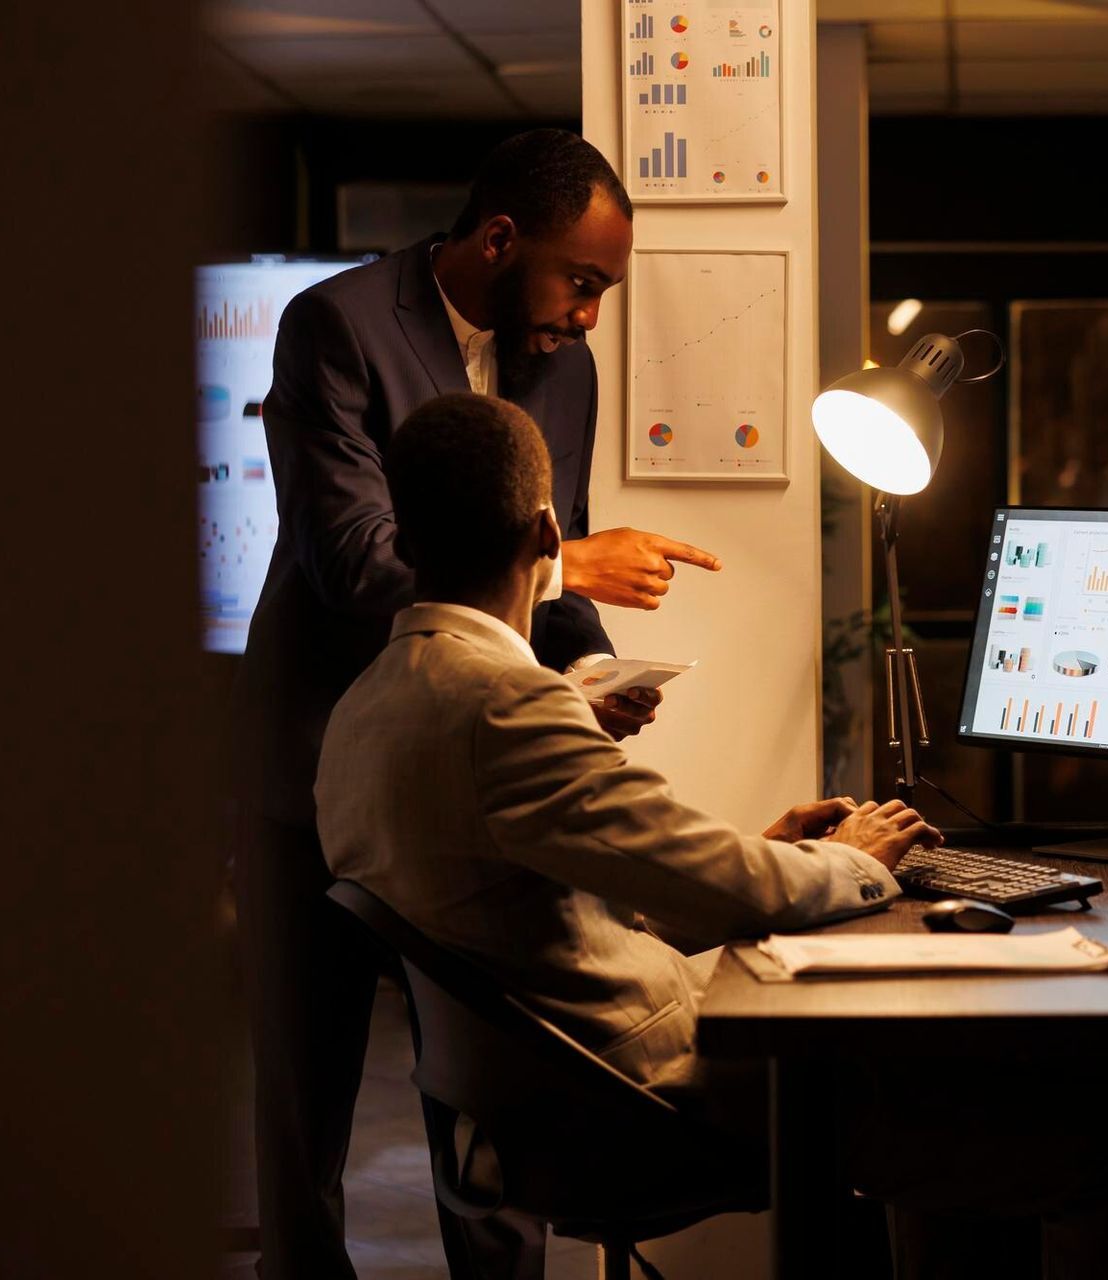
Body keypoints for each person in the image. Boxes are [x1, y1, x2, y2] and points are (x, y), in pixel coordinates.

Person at [319, 395, 1108, 1280]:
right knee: (1107, 1142)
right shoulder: (506, 701)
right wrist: (854, 858)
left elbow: (546, 922)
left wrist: (777, 850)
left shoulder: (362, 711)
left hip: (530, 1108)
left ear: (406, 538)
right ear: (546, 534)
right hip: (644, 1104)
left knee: (935, 1090)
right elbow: (734, 889)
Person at [229, 129, 719, 1279]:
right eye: (583, 283)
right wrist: (576, 569)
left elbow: (547, 553)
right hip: (315, 771)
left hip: (475, 781)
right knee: (308, 1104)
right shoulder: (337, 326)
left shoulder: (565, 368)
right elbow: (355, 560)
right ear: (500, 240)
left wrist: (591, 678)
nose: (591, 315)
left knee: (492, 1094)